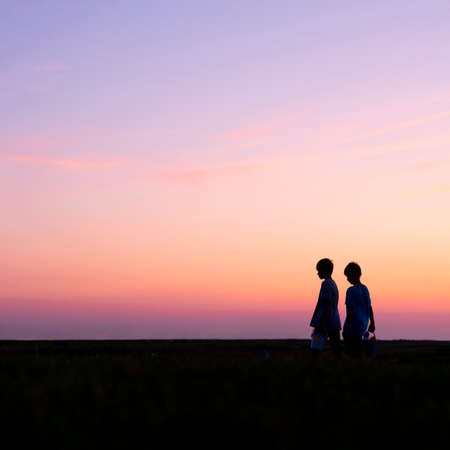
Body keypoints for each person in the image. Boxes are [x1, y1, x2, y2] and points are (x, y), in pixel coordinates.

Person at [310, 258, 342, 357]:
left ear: (325, 271)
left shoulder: (326, 284)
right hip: (334, 321)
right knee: (336, 350)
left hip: (324, 322)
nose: (317, 273)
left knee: (315, 349)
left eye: (319, 271)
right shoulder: (333, 284)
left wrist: (321, 323)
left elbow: (326, 304)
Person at [342, 262, 376, 357]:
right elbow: (369, 307)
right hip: (362, 326)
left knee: (349, 353)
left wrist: (346, 329)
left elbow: (350, 312)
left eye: (348, 276)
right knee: (359, 352)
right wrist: (372, 322)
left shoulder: (351, 290)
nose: (347, 279)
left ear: (353, 275)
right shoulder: (365, 289)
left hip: (352, 327)